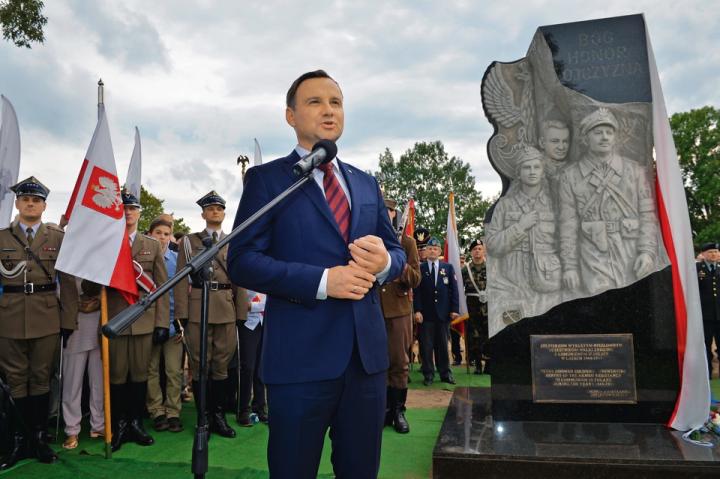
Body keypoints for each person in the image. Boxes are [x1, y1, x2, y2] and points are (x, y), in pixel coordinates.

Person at [228, 69, 405, 479]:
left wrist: (385, 263)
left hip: (365, 362)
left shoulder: (366, 183)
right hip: (299, 362)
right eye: (315, 102)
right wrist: (324, 282)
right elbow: (243, 260)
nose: (329, 110)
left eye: (336, 102)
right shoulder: (269, 180)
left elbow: (395, 252)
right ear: (290, 116)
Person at [0, 177, 78, 469]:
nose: (30, 204)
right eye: (25, 199)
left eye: (36, 200)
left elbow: (68, 283)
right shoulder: (2, 237)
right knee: (15, 379)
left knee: (41, 377)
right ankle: (19, 441)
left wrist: (68, 320)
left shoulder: (57, 238)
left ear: (44, 206)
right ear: (17, 203)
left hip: (47, 317)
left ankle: (39, 438)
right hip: (8, 316)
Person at [558, 107, 660, 296]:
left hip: (630, 251)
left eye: (609, 132)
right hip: (592, 255)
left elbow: (647, 216)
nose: (604, 137)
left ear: (615, 137)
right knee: (601, 301)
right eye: (598, 132)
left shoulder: (635, 172)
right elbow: (568, 224)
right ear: (586, 139)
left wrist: (647, 251)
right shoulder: (570, 176)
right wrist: (570, 266)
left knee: (634, 300)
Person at [175, 191, 247, 439]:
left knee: (221, 365)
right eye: (210, 208)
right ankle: (203, 418)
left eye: (219, 208)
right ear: (203, 214)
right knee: (199, 365)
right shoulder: (189, 242)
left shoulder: (234, 240)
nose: (215, 211)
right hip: (198, 307)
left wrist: (241, 311)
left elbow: (239, 278)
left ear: (224, 213)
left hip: (226, 308)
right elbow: (180, 279)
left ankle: (218, 416)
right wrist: (182, 313)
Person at [107, 190, 169, 452]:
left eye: (132, 208)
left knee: (140, 374)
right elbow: (89, 286)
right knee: (117, 375)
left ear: (139, 213)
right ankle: (119, 425)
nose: (128, 212)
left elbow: (162, 287)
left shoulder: (151, 245)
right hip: (116, 319)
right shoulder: (106, 243)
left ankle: (135, 423)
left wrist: (162, 323)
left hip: (144, 319)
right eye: (124, 208)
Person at [486, 146, 560, 328]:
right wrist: (519, 227)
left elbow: (566, 242)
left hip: (547, 278)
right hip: (513, 280)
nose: (532, 171)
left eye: (536, 167)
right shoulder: (505, 205)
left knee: (549, 327)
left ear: (543, 171)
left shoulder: (555, 205)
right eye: (527, 167)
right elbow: (493, 245)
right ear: (518, 173)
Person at [379, 198, 421, 434]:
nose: (386, 213)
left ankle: (398, 410)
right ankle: (383, 410)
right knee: (376, 363)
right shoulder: (369, 239)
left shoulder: (407, 242)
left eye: (390, 210)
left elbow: (416, 278)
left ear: (395, 214)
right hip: (373, 309)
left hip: (398, 311)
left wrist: (399, 264)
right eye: (382, 209)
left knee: (399, 362)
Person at [146, 216, 184, 433]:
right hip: (148, 323)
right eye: (158, 233)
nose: (162, 237)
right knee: (151, 370)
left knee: (173, 371)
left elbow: (183, 294)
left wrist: (181, 323)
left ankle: (173, 412)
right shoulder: (142, 258)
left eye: (166, 234)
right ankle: (156, 411)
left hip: (172, 324)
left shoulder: (177, 261)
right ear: (150, 234)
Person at [61, 279, 104, 449]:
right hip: (74, 323)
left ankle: (98, 424)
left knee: (99, 380)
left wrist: (99, 299)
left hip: (100, 320)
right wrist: (74, 303)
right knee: (72, 382)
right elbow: (56, 287)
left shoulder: (102, 261)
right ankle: (71, 429)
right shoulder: (65, 262)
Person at [413, 237, 459, 386]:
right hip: (425, 315)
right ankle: (428, 374)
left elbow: (454, 290)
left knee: (443, 346)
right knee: (426, 347)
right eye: (430, 248)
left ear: (439, 251)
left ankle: (445, 374)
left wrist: (454, 309)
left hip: (443, 314)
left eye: (435, 249)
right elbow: (416, 292)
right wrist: (417, 310)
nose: (432, 251)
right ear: (425, 251)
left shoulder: (448, 268)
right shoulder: (420, 268)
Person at [237, 289, 267, 426]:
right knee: (248, 367)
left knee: (261, 368)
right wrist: (252, 306)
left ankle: (260, 407)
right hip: (247, 323)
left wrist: (253, 306)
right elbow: (241, 302)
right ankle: (243, 410)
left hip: (264, 322)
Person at [461, 239, 489, 375]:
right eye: (474, 249)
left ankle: (489, 365)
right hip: (472, 306)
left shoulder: (491, 267)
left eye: (479, 249)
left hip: (489, 306)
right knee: (474, 336)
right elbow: (459, 289)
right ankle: (478, 365)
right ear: (471, 252)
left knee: (488, 336)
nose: (477, 251)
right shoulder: (465, 269)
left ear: (484, 251)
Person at [697, 242, 720, 379]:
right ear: (703, 254)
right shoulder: (697, 268)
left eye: (716, 252)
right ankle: (708, 374)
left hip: (719, 315)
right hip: (705, 315)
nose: (714, 254)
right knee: (706, 345)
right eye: (710, 252)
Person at [538, 119, 571, 195]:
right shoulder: (533, 168)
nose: (561, 147)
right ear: (542, 143)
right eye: (555, 141)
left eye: (565, 141)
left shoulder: (572, 169)